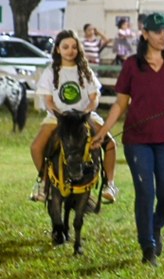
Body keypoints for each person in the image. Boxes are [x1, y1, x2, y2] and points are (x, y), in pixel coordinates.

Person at [93, 12, 164, 265]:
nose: (163, 36)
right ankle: (147, 246)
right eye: (158, 31)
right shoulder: (131, 65)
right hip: (138, 139)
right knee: (145, 192)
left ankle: (155, 226)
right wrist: (103, 131)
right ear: (145, 34)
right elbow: (120, 103)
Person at [30, 29, 119, 203]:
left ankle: (110, 184)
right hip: (58, 118)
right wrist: (60, 113)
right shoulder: (51, 72)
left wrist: (86, 112)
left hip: (83, 117)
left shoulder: (85, 71)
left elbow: (94, 97)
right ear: (57, 50)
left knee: (110, 144)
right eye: (65, 47)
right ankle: (44, 181)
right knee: (36, 147)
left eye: (74, 47)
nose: (70, 50)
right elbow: (48, 99)